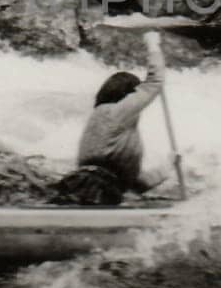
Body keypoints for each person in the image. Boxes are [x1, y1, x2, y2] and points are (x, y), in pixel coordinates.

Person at [50, 32, 170, 206]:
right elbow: (155, 81)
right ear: (128, 95)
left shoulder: (103, 118)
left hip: (87, 187)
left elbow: (133, 186)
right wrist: (153, 45)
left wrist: (166, 168)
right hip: (95, 190)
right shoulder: (116, 112)